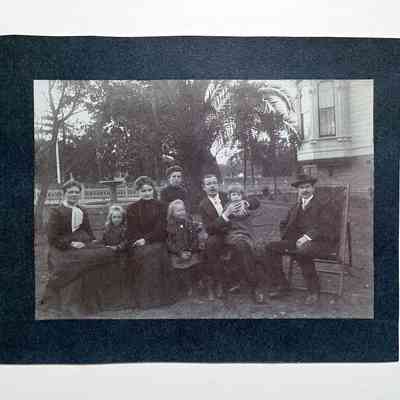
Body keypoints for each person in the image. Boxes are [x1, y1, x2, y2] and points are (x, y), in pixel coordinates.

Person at [41, 179, 115, 317]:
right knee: (76, 264)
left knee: (108, 252)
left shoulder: (82, 210)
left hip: (82, 243)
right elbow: (52, 237)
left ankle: (101, 301)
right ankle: (67, 302)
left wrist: (92, 243)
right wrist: (70, 244)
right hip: (62, 248)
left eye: (76, 192)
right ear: (64, 193)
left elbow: (88, 232)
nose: (74, 195)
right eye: (71, 192)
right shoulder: (56, 212)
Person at [265, 173, 339, 305]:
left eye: (307, 187)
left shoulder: (324, 204)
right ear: (298, 190)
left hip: (322, 242)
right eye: (301, 188)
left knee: (303, 251)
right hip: (298, 241)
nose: (305, 190)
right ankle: (282, 285)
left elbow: (325, 226)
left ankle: (313, 290)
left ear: (313, 188)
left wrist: (306, 237)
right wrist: (287, 238)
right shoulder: (295, 207)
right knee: (271, 247)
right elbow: (284, 224)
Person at [198, 174, 264, 303]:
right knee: (211, 244)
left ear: (218, 184)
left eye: (214, 183)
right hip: (218, 234)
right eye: (208, 184)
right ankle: (220, 283)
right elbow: (209, 229)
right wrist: (226, 215)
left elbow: (256, 201)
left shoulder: (228, 195)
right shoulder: (202, 205)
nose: (212, 186)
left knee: (242, 246)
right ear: (204, 187)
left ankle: (254, 286)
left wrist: (245, 203)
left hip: (236, 232)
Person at [126, 176, 177, 309]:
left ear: (153, 190)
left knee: (154, 253)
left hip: (157, 240)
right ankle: (145, 299)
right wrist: (139, 240)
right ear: (138, 191)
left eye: (149, 190)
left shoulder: (162, 206)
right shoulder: (132, 208)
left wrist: (146, 239)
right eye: (143, 191)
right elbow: (132, 229)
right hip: (138, 243)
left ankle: (160, 299)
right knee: (143, 255)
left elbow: (161, 228)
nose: (147, 193)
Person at [166, 199, 202, 297]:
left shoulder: (189, 223)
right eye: (178, 211)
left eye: (183, 210)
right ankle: (181, 287)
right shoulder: (169, 226)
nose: (182, 212)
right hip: (177, 253)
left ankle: (193, 286)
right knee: (178, 268)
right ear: (172, 213)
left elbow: (195, 238)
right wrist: (179, 252)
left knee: (195, 264)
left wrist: (190, 250)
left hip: (190, 251)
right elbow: (169, 243)